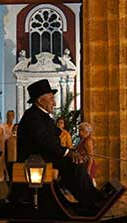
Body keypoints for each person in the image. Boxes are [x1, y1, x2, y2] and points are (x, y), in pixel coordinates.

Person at [17, 79, 103, 208]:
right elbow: (46, 141)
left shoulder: (41, 116)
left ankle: (92, 198)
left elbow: (55, 135)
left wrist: (72, 151)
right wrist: (68, 153)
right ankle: (92, 202)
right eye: (51, 98)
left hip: (43, 157)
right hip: (35, 160)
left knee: (75, 161)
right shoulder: (33, 117)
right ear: (40, 100)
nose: (54, 102)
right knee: (73, 164)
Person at [76, 122, 97, 186]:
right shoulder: (83, 139)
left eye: (80, 130)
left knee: (89, 182)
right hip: (83, 164)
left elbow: (91, 156)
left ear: (85, 131)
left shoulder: (88, 141)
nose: (79, 132)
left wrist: (88, 169)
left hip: (87, 164)